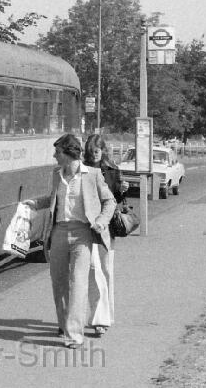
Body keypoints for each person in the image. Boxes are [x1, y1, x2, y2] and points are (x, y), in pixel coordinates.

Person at [43, 133, 117, 348]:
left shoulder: (92, 174)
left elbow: (109, 201)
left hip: (82, 234)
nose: (54, 155)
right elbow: (52, 200)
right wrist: (33, 204)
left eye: (57, 152)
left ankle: (74, 335)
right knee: (59, 283)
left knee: (78, 282)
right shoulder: (57, 175)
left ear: (68, 153)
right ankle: (66, 325)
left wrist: (102, 221)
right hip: (58, 233)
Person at [83, 134, 128, 336]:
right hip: (87, 227)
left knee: (107, 270)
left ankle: (107, 315)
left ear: (103, 151)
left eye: (97, 151)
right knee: (94, 271)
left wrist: (123, 190)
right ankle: (97, 317)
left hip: (107, 227)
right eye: (90, 151)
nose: (93, 155)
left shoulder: (112, 170)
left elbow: (116, 199)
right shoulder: (81, 169)